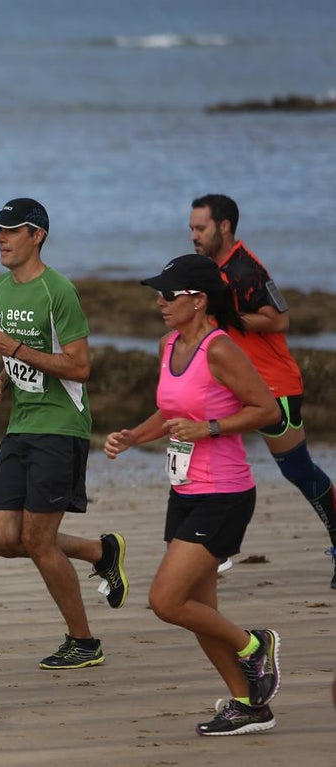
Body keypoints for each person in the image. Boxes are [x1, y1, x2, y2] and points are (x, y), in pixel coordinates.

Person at [104, 253, 282, 736]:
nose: (159, 302)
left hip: (224, 493)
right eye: (158, 293)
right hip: (184, 491)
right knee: (201, 613)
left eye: (169, 294)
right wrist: (134, 436)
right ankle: (248, 705)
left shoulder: (220, 349)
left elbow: (267, 409)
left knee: (167, 600)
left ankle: (254, 645)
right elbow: (169, 411)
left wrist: (210, 427)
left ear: (198, 300)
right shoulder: (169, 345)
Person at [0, 198, 128, 670]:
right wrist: (1, 380)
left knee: (39, 540)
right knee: (1, 536)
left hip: (61, 427)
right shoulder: (2, 288)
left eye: (11, 230)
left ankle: (84, 642)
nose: (1, 238)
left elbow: (81, 367)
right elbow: (16, 357)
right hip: (21, 423)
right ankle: (101, 551)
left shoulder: (58, 291)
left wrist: (15, 348)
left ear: (37, 235)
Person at [189, 194, 336, 588]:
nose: (194, 235)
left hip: (273, 385)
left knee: (299, 471)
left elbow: (279, 321)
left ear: (223, 226)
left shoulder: (245, 269)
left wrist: (228, 318)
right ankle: (209, 551)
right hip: (234, 381)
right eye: (191, 228)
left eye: (200, 228)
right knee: (205, 454)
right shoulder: (211, 267)